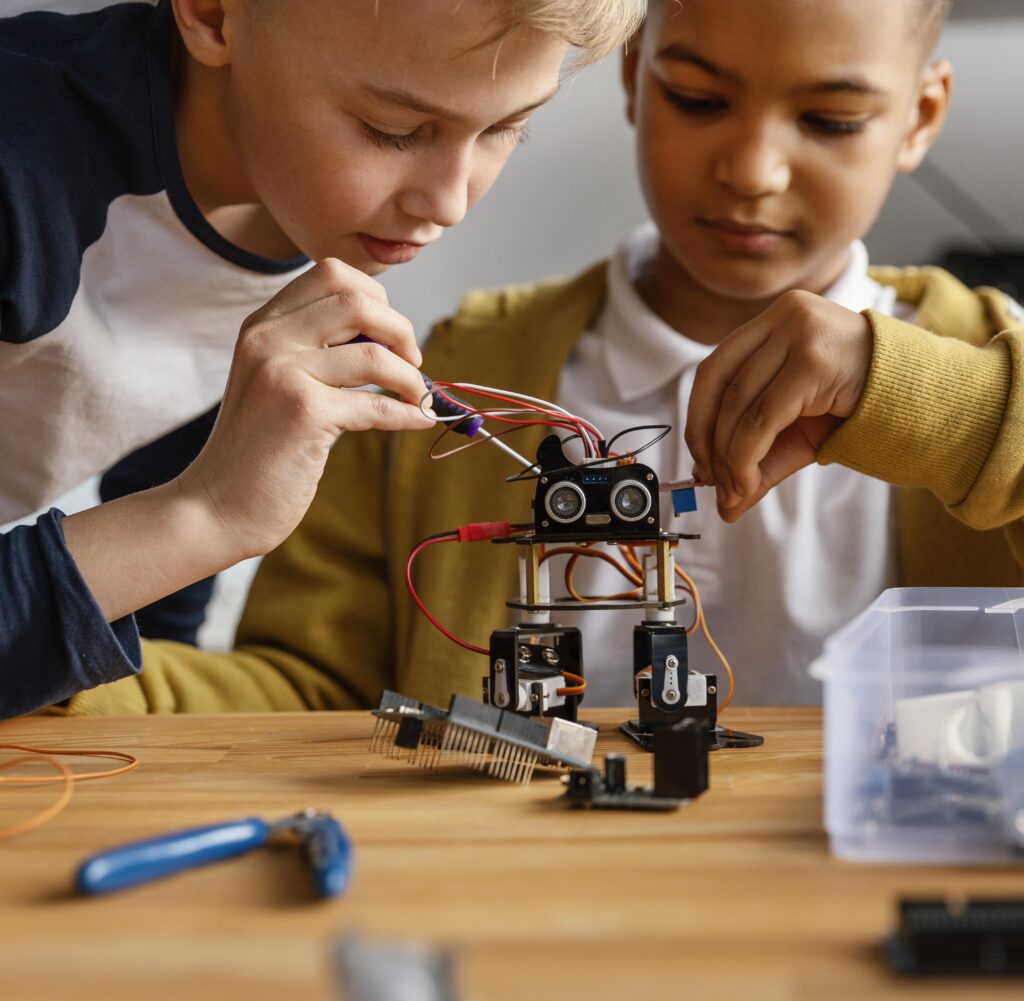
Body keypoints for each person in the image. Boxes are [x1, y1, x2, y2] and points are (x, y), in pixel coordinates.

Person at [44, 0, 1024, 718]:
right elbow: (309, 699)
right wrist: (49, 664)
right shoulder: (445, 381)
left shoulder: (984, 368)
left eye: (830, 120)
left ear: (920, 117)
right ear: (634, 75)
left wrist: (948, 407)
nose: (751, 170)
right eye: (697, 98)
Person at [0, 0, 644, 719]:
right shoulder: (19, 165)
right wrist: (204, 515)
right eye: (392, 129)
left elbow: (152, 637)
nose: (449, 204)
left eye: (505, 128)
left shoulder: (298, 209)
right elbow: (172, 530)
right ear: (212, 14)